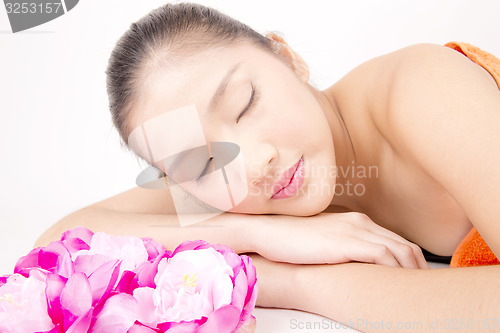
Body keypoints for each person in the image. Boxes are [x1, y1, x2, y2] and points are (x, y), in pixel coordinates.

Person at [36, 2, 500, 331]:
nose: (254, 164)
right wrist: (259, 239)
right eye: (203, 163)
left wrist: (297, 281)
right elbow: (60, 241)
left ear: (287, 58)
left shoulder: (423, 90)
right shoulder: (226, 194)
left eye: (245, 104)